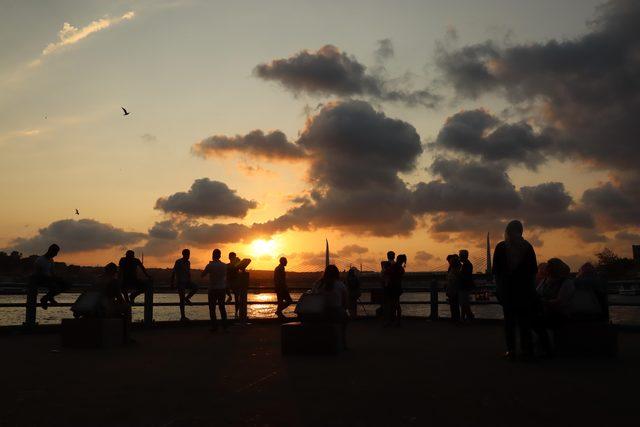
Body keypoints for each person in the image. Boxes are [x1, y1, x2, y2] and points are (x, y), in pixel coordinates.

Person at [492, 220, 538, 361]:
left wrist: (499, 289)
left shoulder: (501, 247)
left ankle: (511, 350)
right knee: (525, 321)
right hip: (524, 290)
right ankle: (527, 350)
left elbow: (497, 272)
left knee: (509, 321)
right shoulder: (528, 247)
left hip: (507, 290)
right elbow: (533, 271)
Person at [72, 262, 133, 343]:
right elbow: (120, 299)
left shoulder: (96, 279)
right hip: (102, 308)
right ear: (114, 272)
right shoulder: (113, 281)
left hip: (88, 307)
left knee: (116, 308)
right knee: (127, 308)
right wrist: (126, 303)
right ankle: (126, 336)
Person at [312, 264, 348, 348]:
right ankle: (343, 342)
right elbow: (346, 303)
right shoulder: (340, 285)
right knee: (344, 318)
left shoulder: (318, 284)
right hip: (336, 313)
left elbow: (313, 297)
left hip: (321, 313)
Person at [32, 244, 69, 310]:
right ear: (51, 251)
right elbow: (37, 273)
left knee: (66, 284)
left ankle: (47, 298)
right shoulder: (40, 260)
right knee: (55, 287)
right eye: (55, 252)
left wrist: (58, 278)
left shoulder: (51, 260)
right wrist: (51, 278)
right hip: (41, 279)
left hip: (49, 279)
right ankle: (47, 298)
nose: (56, 254)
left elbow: (52, 272)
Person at [202, 249, 228, 331]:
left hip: (212, 289)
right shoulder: (224, 265)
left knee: (212, 309)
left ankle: (214, 327)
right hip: (222, 288)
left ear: (213, 255)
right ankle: (225, 327)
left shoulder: (210, 265)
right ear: (220, 256)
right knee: (222, 308)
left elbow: (203, 275)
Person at [170, 249, 199, 322]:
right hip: (180, 282)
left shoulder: (188, 263)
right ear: (183, 254)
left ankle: (187, 298)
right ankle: (183, 316)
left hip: (187, 281)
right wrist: (172, 282)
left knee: (196, 287)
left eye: (189, 254)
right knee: (181, 300)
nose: (188, 256)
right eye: (187, 254)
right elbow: (174, 272)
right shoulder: (178, 262)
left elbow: (188, 273)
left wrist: (190, 279)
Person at [386, 254, 406, 327]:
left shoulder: (395, 266)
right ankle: (398, 321)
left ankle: (391, 321)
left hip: (392, 287)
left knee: (392, 305)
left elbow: (388, 272)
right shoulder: (401, 268)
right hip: (398, 287)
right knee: (397, 305)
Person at [458, 249, 475, 322]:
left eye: (460, 255)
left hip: (464, 286)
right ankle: (465, 318)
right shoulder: (467, 264)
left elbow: (466, 276)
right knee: (464, 303)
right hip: (465, 286)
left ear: (463, 256)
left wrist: (459, 275)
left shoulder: (467, 265)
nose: (459, 257)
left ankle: (469, 317)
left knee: (463, 303)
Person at [446, 254, 461, 322]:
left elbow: (454, 278)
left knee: (454, 304)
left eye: (450, 261)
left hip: (453, 288)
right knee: (454, 305)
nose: (449, 262)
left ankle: (455, 319)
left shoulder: (455, 269)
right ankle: (455, 318)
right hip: (452, 288)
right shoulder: (455, 268)